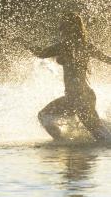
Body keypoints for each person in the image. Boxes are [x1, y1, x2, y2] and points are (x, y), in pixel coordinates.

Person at [28, 12, 111, 141]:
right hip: (84, 96)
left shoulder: (63, 46)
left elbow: (40, 53)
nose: (61, 29)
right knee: (98, 131)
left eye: (63, 26)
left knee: (43, 115)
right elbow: (108, 60)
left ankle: (64, 142)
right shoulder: (86, 46)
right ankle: (69, 144)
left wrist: (21, 42)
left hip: (77, 97)